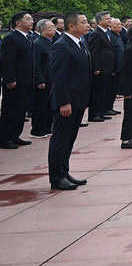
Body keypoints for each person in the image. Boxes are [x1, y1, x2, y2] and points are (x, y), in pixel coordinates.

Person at [48, 12, 93, 190]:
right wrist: (63, 102)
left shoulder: (81, 42)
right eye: (83, 22)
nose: (87, 25)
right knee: (60, 140)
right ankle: (56, 178)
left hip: (79, 100)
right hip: (67, 101)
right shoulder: (61, 46)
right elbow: (59, 77)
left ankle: (64, 172)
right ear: (71, 26)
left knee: (69, 140)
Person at [1, 11, 36, 149]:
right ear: (18, 22)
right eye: (28, 19)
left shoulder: (28, 37)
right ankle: (5, 137)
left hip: (26, 80)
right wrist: (10, 79)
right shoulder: (12, 38)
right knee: (11, 110)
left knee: (21, 110)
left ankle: (15, 135)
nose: (31, 21)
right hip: (15, 82)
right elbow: (7, 61)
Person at [87, 12, 116, 122]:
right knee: (98, 92)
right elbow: (94, 52)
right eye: (107, 19)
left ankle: (102, 111)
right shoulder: (96, 33)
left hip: (108, 67)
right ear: (99, 21)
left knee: (105, 91)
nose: (110, 20)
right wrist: (96, 68)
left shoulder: (107, 32)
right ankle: (94, 113)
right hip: (101, 68)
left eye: (110, 18)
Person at [30, 19, 57, 138]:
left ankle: (47, 127)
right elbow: (36, 64)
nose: (54, 29)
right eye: (51, 27)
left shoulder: (52, 42)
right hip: (43, 80)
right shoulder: (38, 43)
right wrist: (40, 80)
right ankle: (37, 129)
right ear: (43, 29)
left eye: (54, 27)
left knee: (49, 106)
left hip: (52, 79)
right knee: (40, 106)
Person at [106, 17, 124, 115]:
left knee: (114, 90)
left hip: (120, 67)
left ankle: (110, 107)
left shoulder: (118, 36)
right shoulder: (111, 36)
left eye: (120, 24)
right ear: (110, 26)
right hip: (114, 67)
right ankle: (107, 107)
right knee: (110, 90)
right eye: (116, 24)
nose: (119, 26)